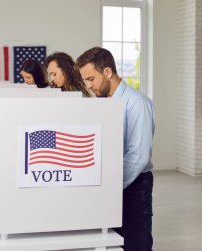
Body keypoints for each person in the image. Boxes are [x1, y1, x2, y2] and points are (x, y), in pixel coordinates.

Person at [75, 47, 155, 251]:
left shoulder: (137, 103)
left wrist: (109, 187)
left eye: (91, 79)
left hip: (135, 186)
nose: (88, 86)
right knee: (113, 242)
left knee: (136, 244)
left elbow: (138, 156)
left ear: (108, 72)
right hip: (112, 183)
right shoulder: (104, 104)